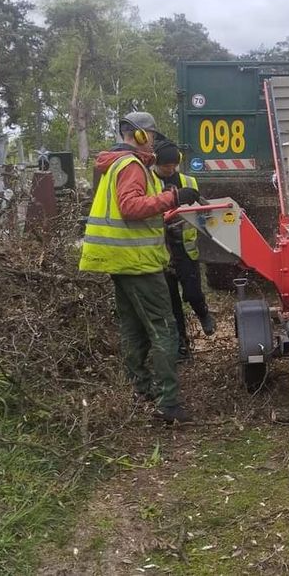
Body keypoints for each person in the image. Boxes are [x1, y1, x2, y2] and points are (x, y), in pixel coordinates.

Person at [79, 111, 200, 424]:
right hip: (138, 262)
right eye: (152, 136)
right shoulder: (131, 165)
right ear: (141, 135)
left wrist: (166, 208)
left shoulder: (114, 163)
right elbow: (130, 207)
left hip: (121, 261)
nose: (153, 143)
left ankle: (140, 390)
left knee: (133, 329)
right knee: (164, 328)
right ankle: (168, 404)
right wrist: (173, 197)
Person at [152, 140, 216, 360]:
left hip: (185, 249)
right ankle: (181, 346)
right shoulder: (149, 182)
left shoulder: (188, 181)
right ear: (156, 163)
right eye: (166, 166)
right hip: (161, 252)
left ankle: (203, 313)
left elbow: (202, 210)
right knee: (172, 304)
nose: (170, 169)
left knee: (192, 292)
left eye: (174, 165)